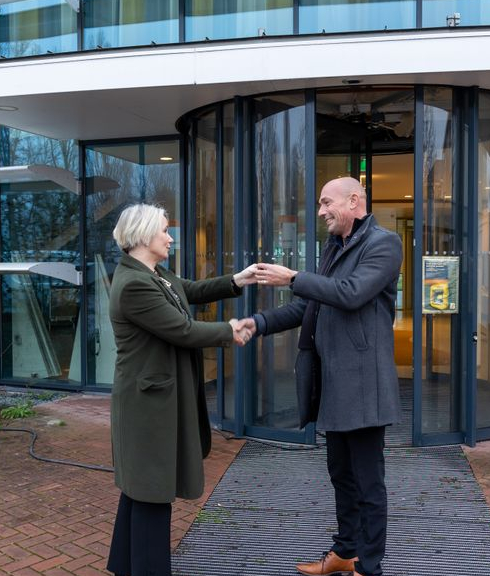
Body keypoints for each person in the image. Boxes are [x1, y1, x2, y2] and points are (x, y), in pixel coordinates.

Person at [246, 176, 403, 576]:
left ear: (354, 201)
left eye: (325, 203)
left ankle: (369, 567)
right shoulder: (333, 248)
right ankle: (344, 552)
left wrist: (293, 278)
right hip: (333, 383)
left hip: (365, 387)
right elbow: (310, 307)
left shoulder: (383, 244)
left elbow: (350, 293)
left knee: (369, 484)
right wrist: (256, 323)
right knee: (341, 475)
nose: (320, 212)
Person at [106, 203, 257, 576]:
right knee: (152, 493)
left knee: (141, 490)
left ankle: (125, 565)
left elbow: (189, 290)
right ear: (143, 236)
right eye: (164, 231)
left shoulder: (152, 274)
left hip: (153, 400)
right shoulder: (134, 285)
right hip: (147, 406)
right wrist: (230, 331)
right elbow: (182, 330)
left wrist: (237, 280)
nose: (170, 237)